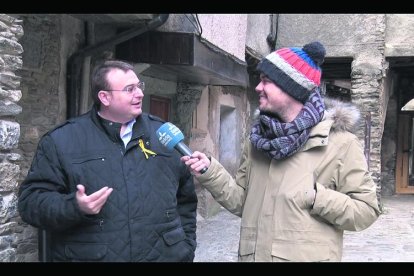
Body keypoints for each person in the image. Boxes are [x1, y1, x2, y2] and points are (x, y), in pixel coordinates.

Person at [181, 41, 380, 262]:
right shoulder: (258, 140)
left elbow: (367, 210)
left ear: (291, 88)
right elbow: (242, 202)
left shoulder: (341, 143)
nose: (258, 88)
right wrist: (211, 172)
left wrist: (315, 197)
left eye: (266, 81)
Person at [18, 60, 198, 262]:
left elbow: (186, 201)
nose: (139, 94)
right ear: (104, 97)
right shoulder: (61, 140)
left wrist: (185, 247)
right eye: (130, 89)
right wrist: (74, 206)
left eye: (139, 86)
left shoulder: (163, 135)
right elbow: (30, 203)